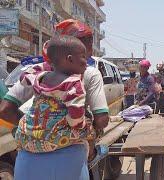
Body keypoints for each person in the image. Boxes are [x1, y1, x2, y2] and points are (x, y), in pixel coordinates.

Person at [0, 19, 109, 180]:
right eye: (87, 48)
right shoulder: (86, 74)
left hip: (27, 158)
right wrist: (89, 132)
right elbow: (101, 120)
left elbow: (4, 110)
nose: (90, 55)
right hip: (69, 159)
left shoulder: (35, 72)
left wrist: (36, 129)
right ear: (71, 55)